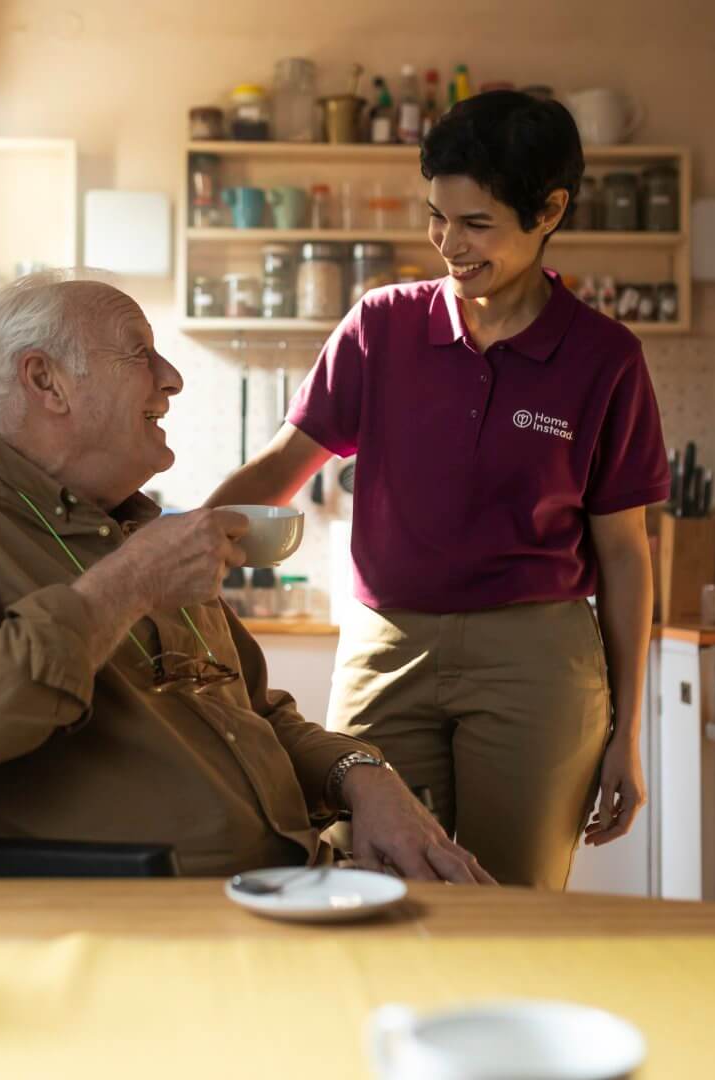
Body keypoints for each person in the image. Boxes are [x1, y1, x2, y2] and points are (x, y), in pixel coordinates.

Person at [0, 274, 493, 884]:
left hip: (293, 886)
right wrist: (128, 584)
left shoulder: (145, 530)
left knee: (494, 936)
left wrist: (365, 777)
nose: (173, 378)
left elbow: (260, 714)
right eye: (141, 353)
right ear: (45, 381)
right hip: (153, 922)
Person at [206, 91, 670, 888]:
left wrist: (626, 735)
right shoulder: (379, 327)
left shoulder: (606, 358)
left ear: (550, 209)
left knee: (512, 898)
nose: (448, 244)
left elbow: (624, 556)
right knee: (365, 882)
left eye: (477, 224)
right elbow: (283, 467)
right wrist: (170, 541)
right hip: (387, 648)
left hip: (535, 658)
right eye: (436, 217)